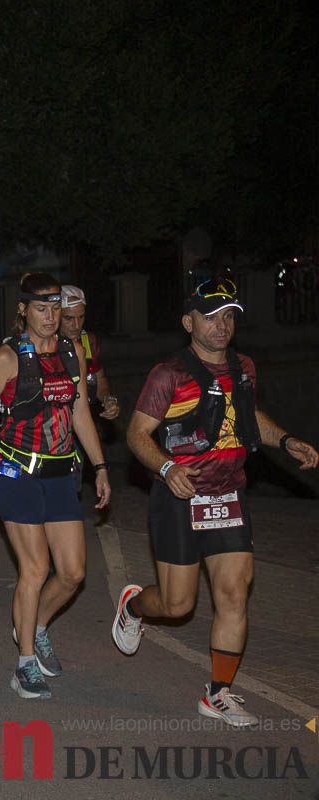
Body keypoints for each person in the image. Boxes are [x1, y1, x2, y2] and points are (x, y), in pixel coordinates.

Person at [111, 277, 317, 726]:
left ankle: (218, 693)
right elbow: (136, 434)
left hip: (228, 494)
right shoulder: (170, 374)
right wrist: (167, 468)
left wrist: (284, 439)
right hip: (179, 497)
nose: (222, 325)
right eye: (211, 315)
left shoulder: (243, 367)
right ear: (189, 322)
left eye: (229, 316)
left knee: (233, 592)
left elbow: (245, 418)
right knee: (177, 605)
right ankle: (133, 605)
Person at [0, 272, 110, 701]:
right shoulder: (7, 358)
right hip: (16, 473)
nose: (51, 317)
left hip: (62, 474)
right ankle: (24, 662)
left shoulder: (72, 353)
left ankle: (36, 626)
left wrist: (101, 465)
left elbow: (81, 413)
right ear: (24, 310)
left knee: (73, 573)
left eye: (56, 309)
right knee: (35, 569)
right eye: (42, 309)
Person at [58, 285, 119, 420]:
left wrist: (108, 399)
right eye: (68, 318)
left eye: (81, 317)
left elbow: (99, 380)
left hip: (81, 419)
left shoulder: (88, 341)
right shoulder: (46, 345)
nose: (77, 325)